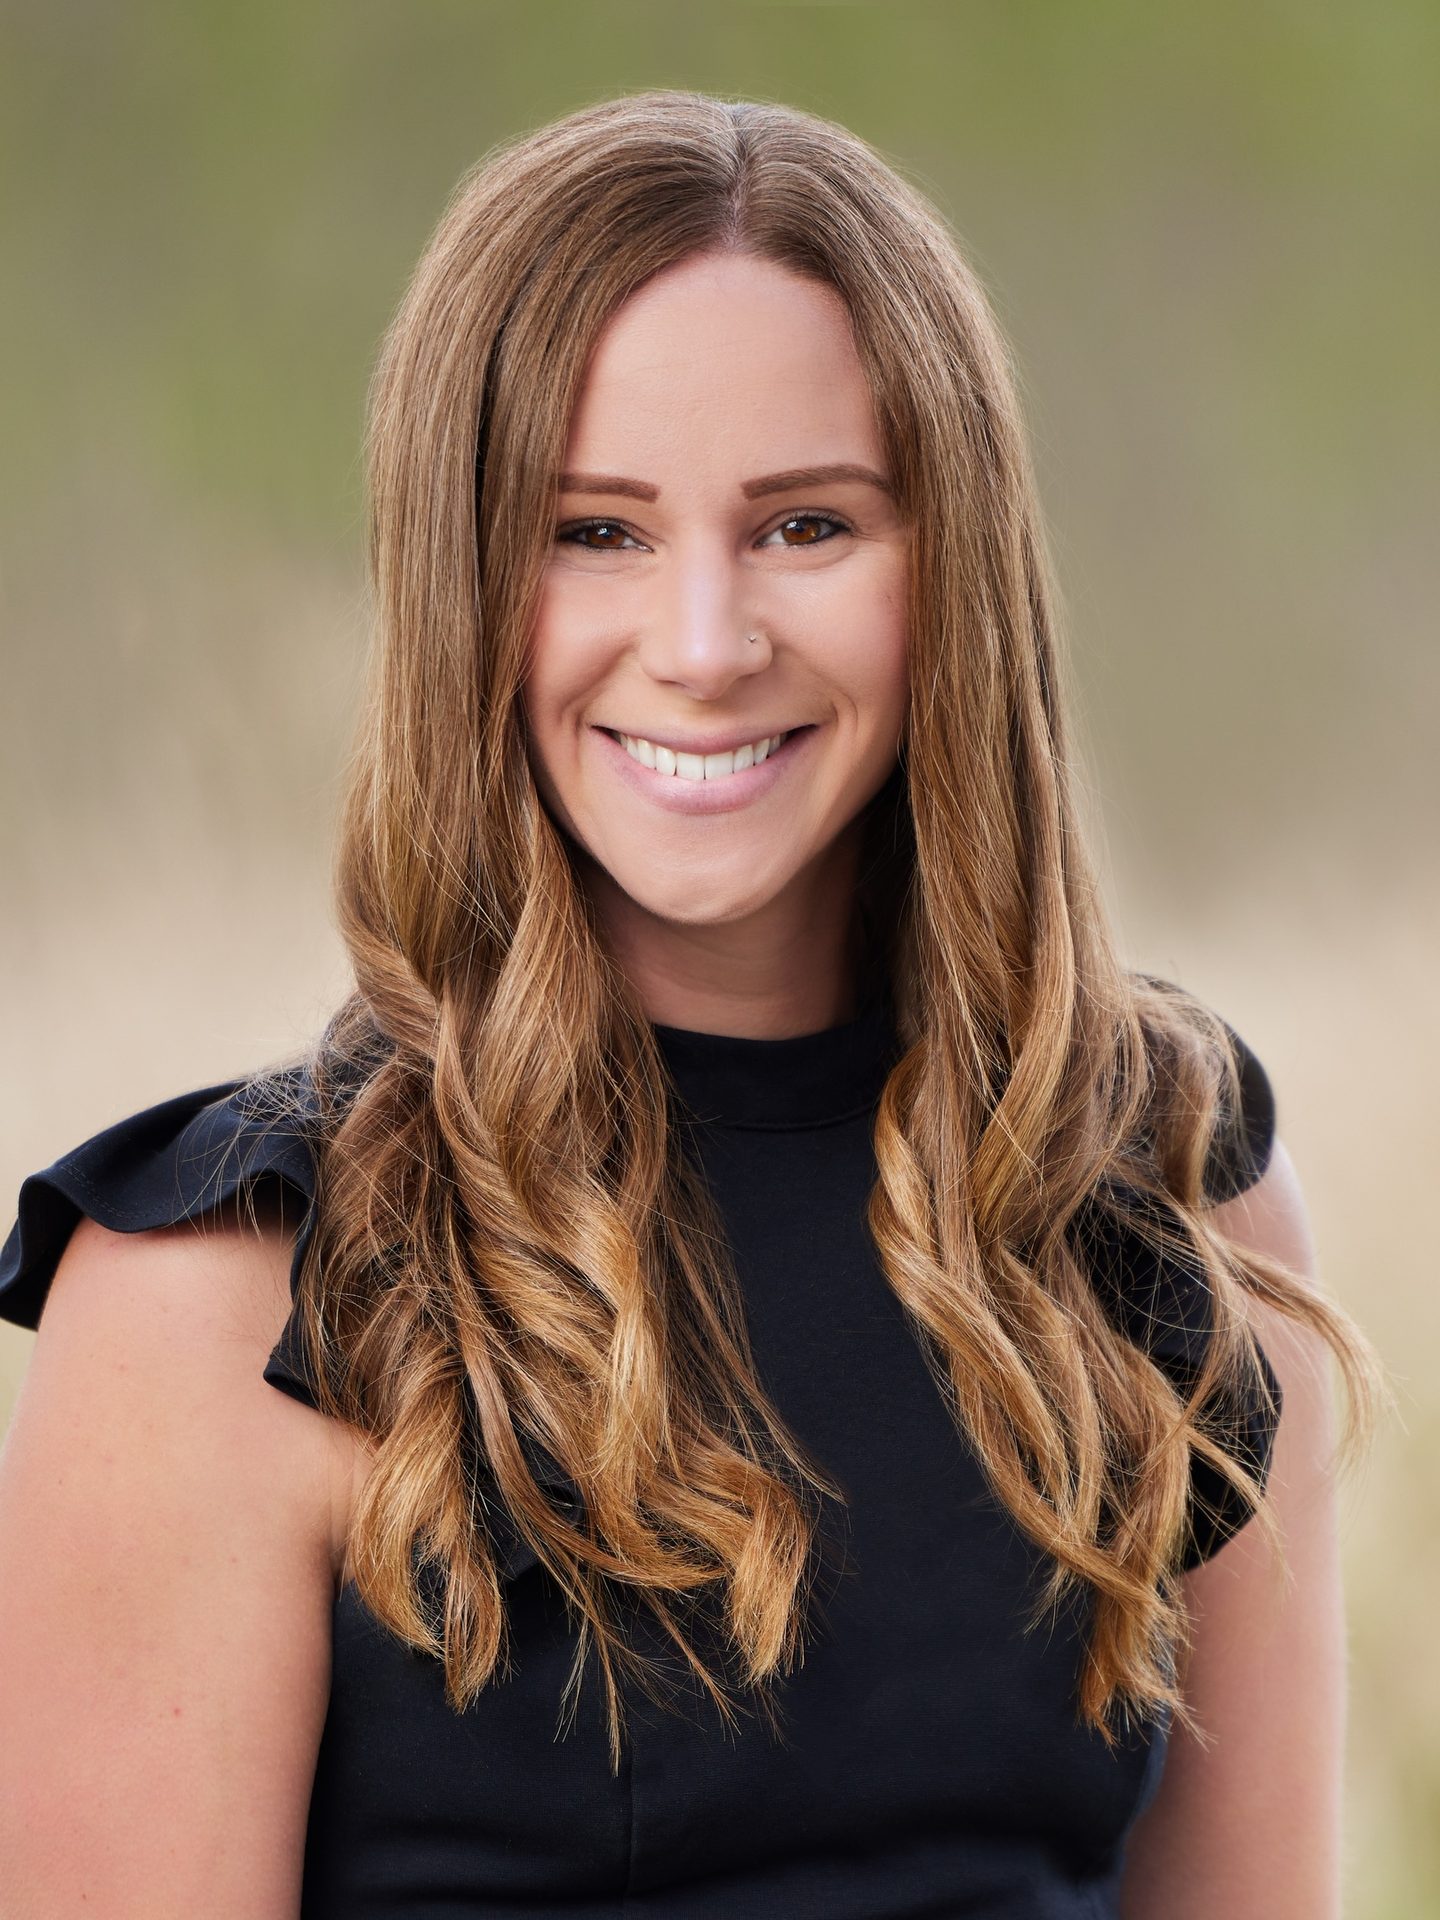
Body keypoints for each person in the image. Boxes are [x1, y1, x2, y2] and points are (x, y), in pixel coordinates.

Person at [0, 91, 1383, 1918]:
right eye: (597, 531)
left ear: (949, 571)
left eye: (808, 525)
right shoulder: (221, 1300)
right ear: (457, 580)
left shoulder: (1165, 1210)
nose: (709, 643)